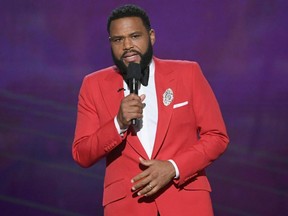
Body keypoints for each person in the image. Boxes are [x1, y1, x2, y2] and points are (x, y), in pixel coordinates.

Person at [72, 4, 229, 216]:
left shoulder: (188, 73)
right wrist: (118, 123)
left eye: (135, 36)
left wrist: (173, 167)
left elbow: (217, 137)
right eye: (118, 39)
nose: (127, 45)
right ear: (110, 43)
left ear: (151, 36)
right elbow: (82, 153)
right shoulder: (93, 85)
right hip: (127, 207)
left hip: (186, 203)